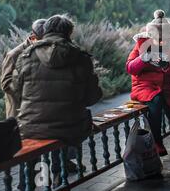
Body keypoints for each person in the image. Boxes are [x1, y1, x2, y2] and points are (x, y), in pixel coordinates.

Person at [12, 14, 102, 146]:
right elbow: (92, 98)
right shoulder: (81, 58)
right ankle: (69, 165)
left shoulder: (26, 56)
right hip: (72, 128)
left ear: (45, 31)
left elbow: (17, 91)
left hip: (30, 128)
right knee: (67, 154)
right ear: (69, 32)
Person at [126, 10, 170, 170]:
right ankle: (157, 141)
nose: (161, 42)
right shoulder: (141, 44)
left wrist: (167, 66)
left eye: (164, 39)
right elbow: (130, 68)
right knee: (155, 102)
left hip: (167, 88)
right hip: (145, 87)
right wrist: (143, 59)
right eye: (158, 38)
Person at [1, 19, 46, 119]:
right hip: (18, 112)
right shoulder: (13, 55)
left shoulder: (44, 52)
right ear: (33, 37)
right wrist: (29, 92)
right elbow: (5, 84)